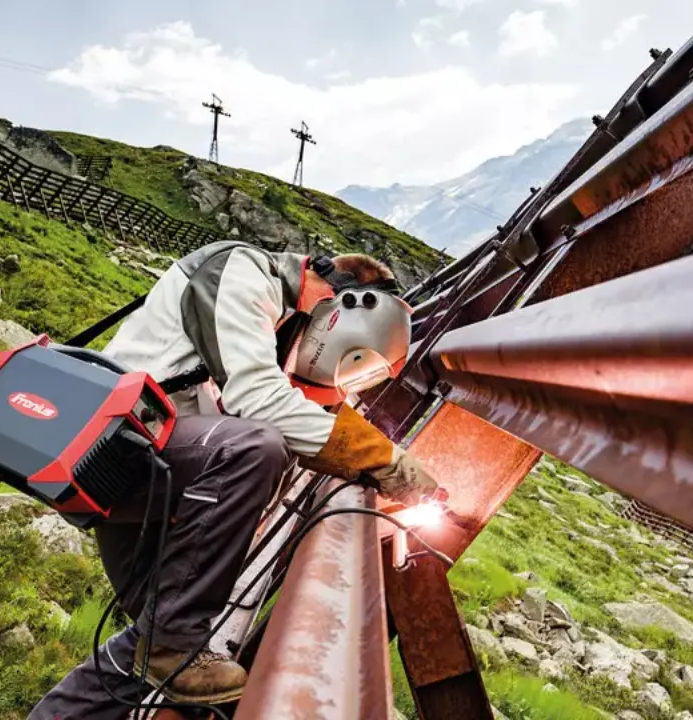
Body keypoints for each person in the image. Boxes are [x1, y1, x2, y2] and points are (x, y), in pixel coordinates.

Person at [29, 241, 440, 719]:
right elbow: (260, 400)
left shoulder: (283, 326)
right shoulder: (242, 274)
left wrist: (376, 465)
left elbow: (308, 408)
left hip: (162, 471)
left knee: (159, 645)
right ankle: (170, 642)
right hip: (120, 452)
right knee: (256, 446)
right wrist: (385, 458)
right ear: (342, 307)